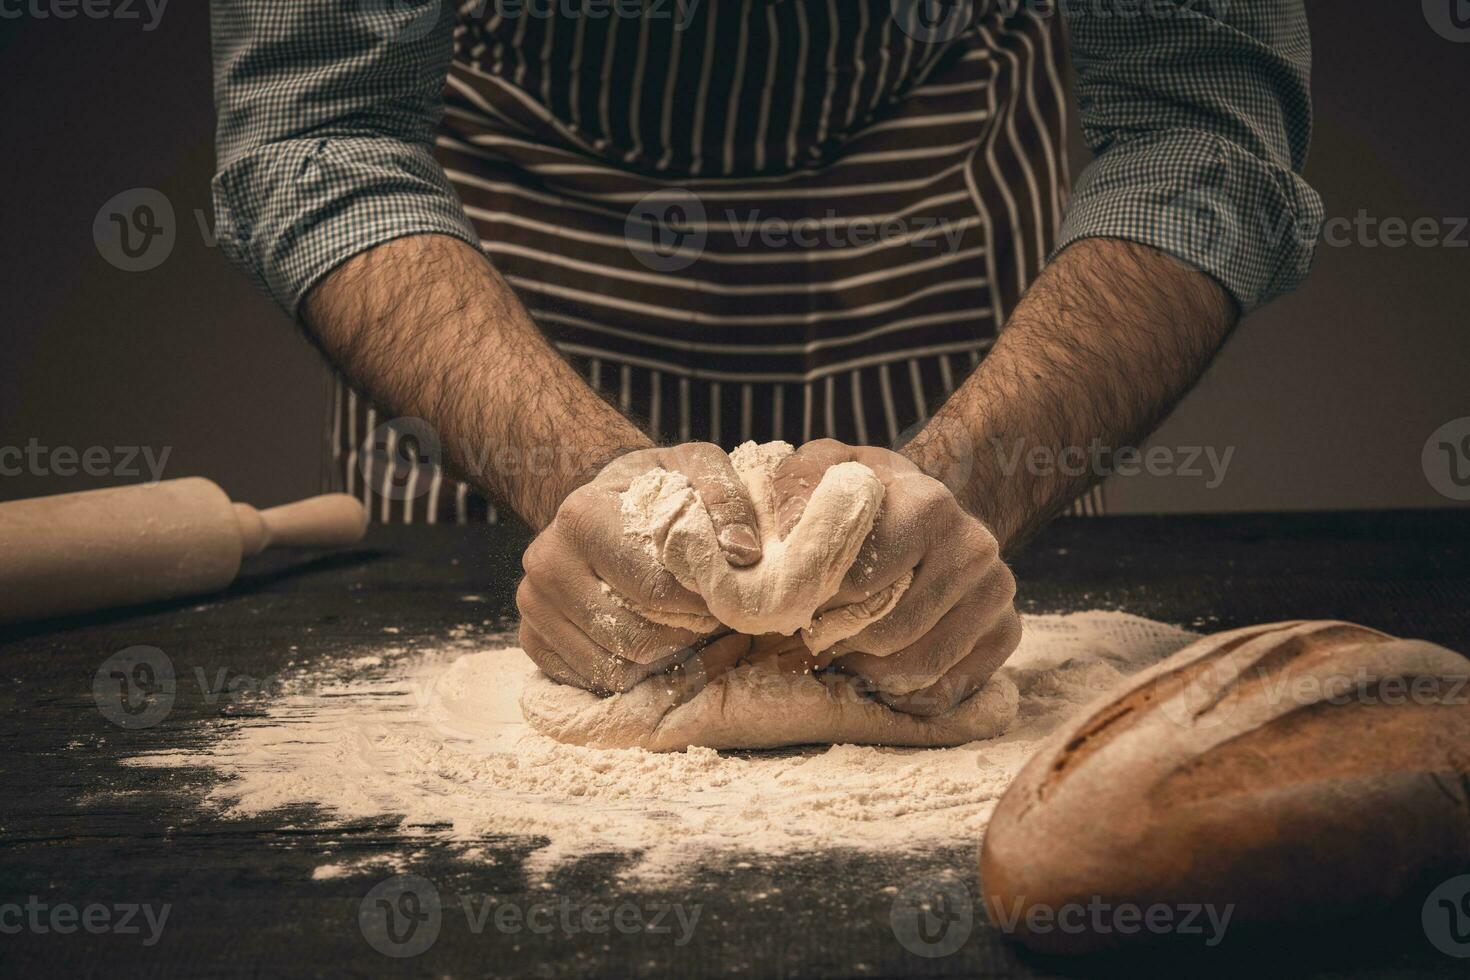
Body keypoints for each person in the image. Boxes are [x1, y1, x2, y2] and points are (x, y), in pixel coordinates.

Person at [210, 0, 1322, 711]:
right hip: (504, 266)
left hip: (931, 235)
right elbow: (321, 127)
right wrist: (572, 477)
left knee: (929, 646)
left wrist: (975, 478)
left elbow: (1201, 121)